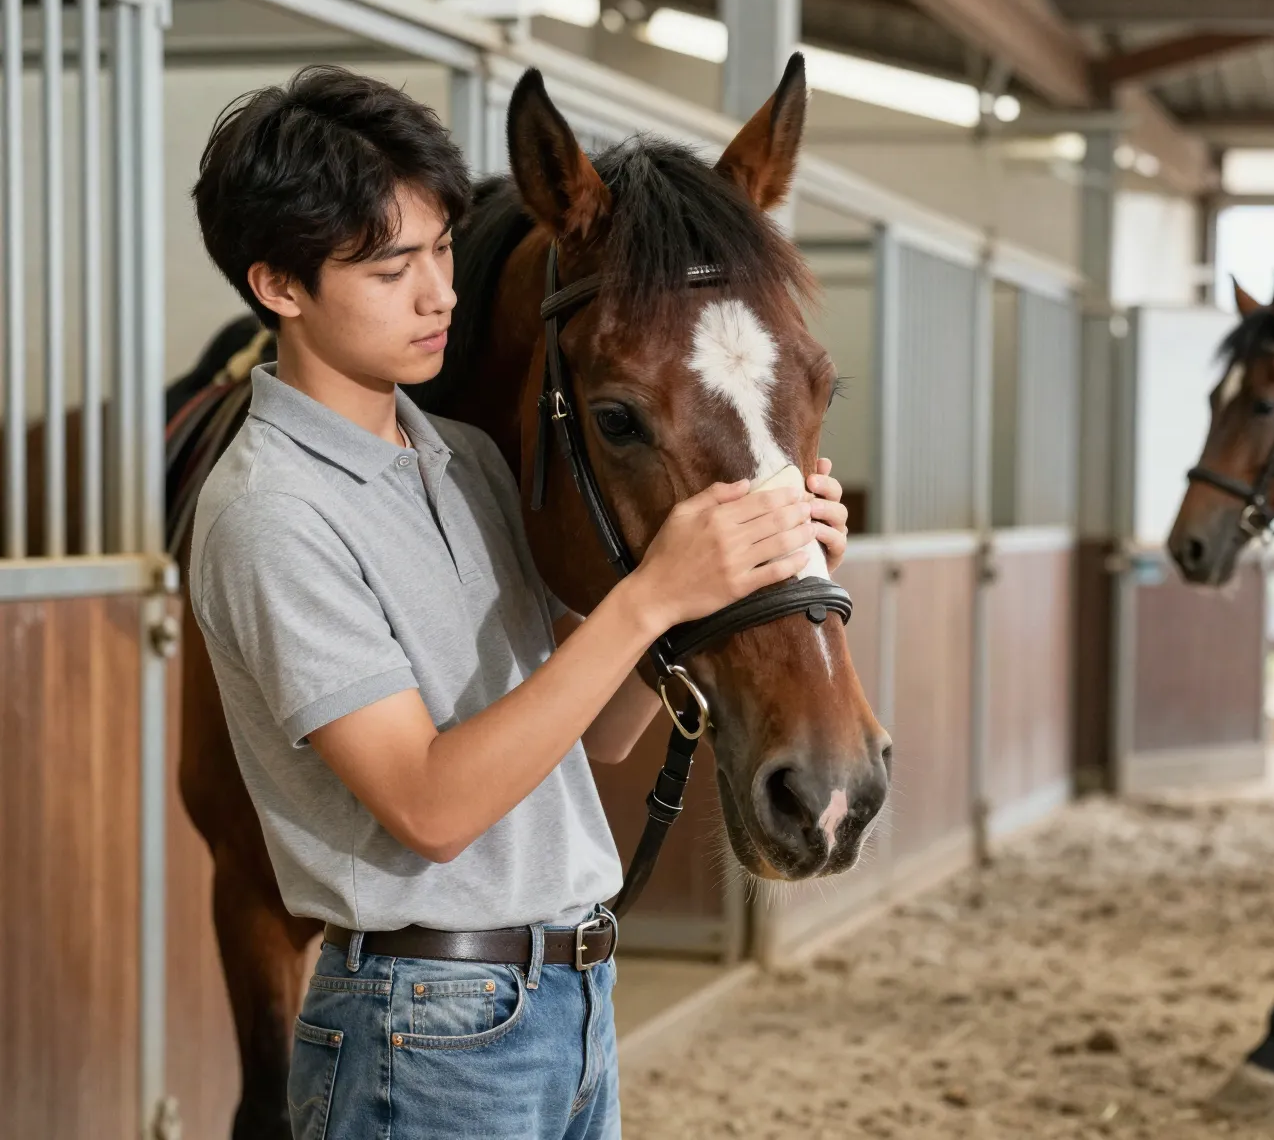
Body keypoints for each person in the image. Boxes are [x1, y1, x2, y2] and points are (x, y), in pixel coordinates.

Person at [186, 67, 850, 1139]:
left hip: (562, 1000)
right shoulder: (274, 512)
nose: (438, 292)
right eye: (390, 266)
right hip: (424, 1027)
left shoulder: (463, 464)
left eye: (442, 249)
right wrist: (647, 600)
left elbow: (588, 739)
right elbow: (431, 808)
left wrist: (742, 571)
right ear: (280, 287)